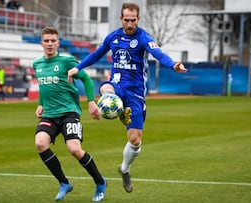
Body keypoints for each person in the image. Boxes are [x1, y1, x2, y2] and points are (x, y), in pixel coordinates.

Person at [68, 2, 187, 193]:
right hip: (116, 84)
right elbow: (97, 54)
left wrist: (173, 64)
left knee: (135, 140)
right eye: (127, 20)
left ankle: (124, 169)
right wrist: (78, 67)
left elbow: (158, 53)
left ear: (138, 19)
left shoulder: (143, 38)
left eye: (133, 20)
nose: (130, 24)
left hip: (136, 92)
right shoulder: (113, 37)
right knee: (106, 89)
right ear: (121, 19)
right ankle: (119, 108)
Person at [33, 27, 107, 202]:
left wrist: (90, 101)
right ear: (41, 43)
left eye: (53, 41)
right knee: (40, 143)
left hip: (69, 113)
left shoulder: (67, 61)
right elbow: (44, 86)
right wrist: (40, 104)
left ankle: (100, 181)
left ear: (58, 43)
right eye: (47, 41)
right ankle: (64, 183)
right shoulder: (37, 64)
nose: (50, 44)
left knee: (74, 149)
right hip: (49, 114)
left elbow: (86, 79)